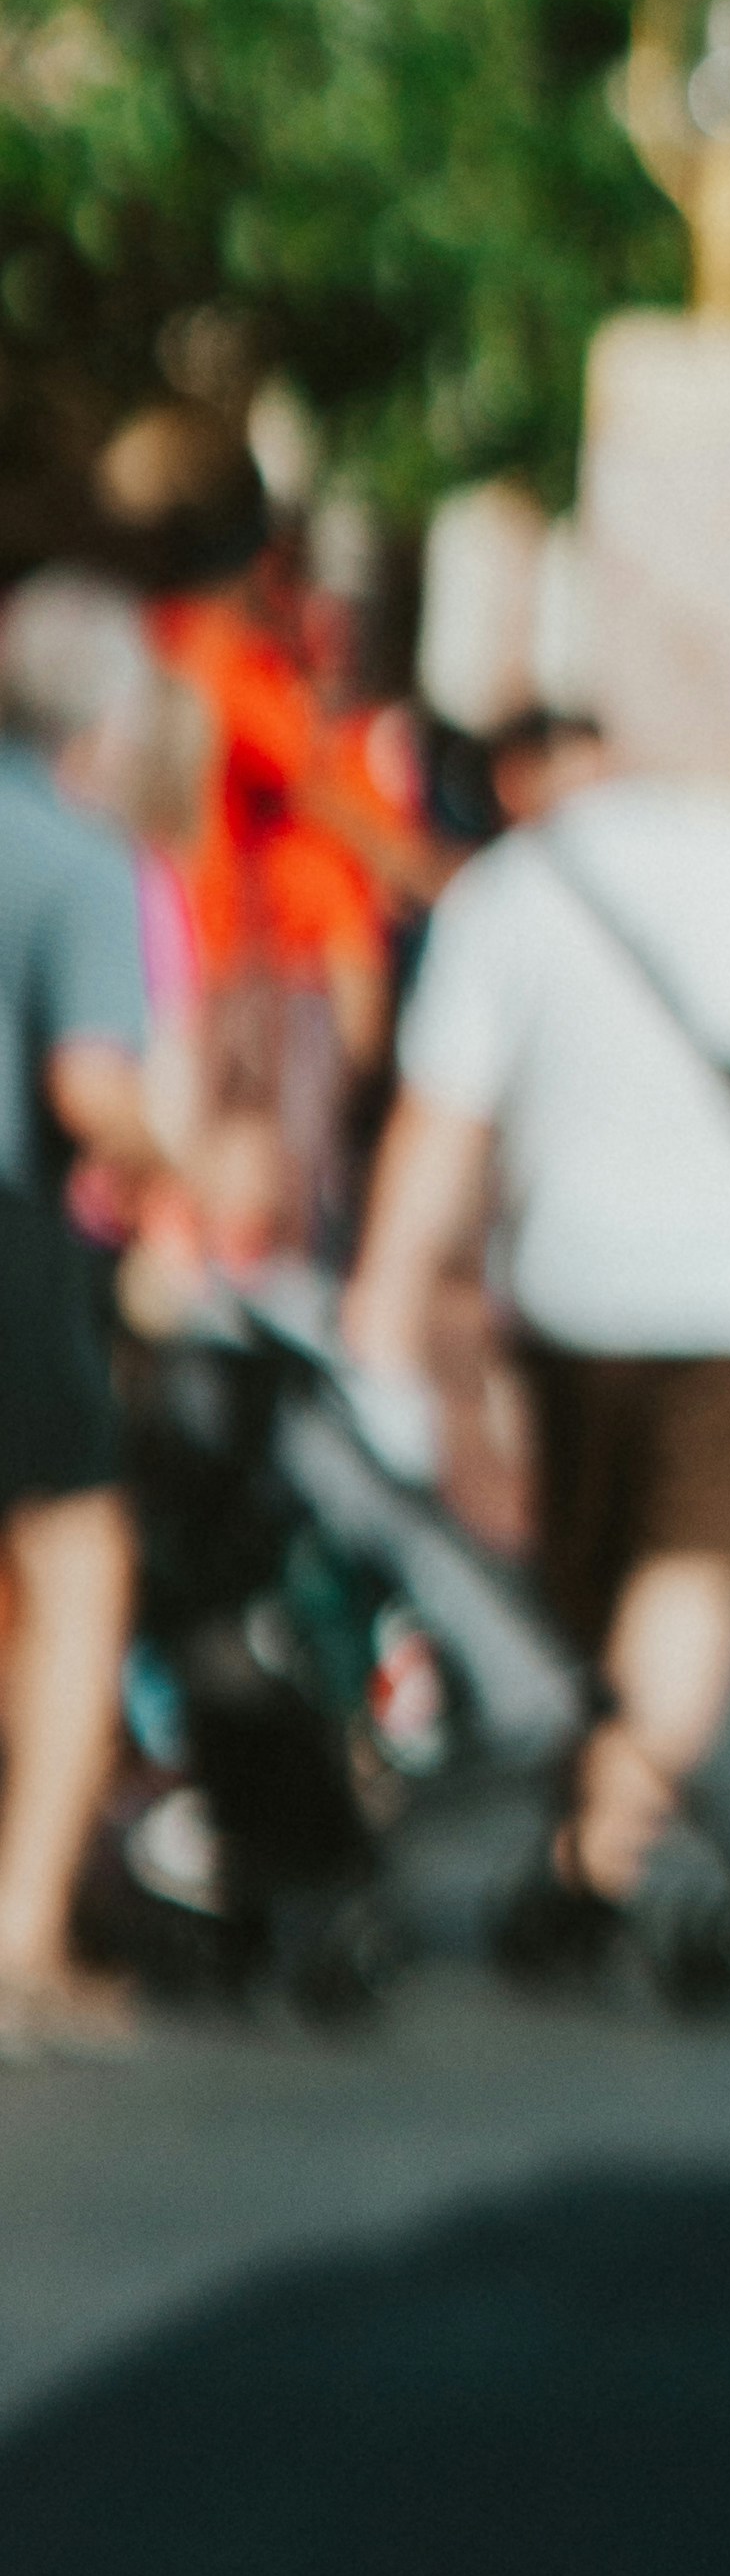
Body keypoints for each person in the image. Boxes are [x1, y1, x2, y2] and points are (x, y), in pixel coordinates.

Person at [341, 710, 730, 1987]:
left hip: (570, 1285)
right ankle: (602, 1834)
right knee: (687, 1562)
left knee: (587, 1569)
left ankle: (594, 1843)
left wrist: (381, 1290)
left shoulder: (505, 889)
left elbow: (439, 1116)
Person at [0, 576, 160, 2057]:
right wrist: (183, 1162)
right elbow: (86, 1090)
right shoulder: (78, 858)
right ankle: (23, 1929)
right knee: (69, 1560)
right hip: (14, 1236)